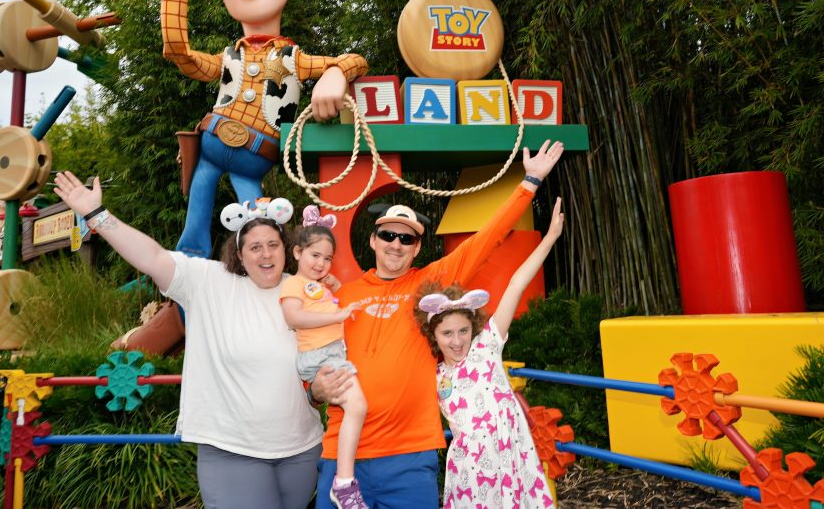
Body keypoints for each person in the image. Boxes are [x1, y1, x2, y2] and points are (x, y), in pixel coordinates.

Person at [310, 140, 565, 508]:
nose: (396, 244)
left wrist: (529, 184)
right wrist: (313, 390)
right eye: (388, 234)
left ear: (417, 248)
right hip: (343, 454)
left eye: (407, 238)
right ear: (372, 240)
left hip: (410, 456)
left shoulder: (427, 285)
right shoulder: (341, 296)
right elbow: (309, 351)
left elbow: (486, 239)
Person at [53, 171, 322, 509]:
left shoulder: (307, 290)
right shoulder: (208, 282)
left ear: (287, 249)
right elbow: (151, 257)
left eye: (273, 245)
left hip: (302, 449)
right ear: (239, 254)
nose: (265, 254)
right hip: (231, 449)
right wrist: (97, 216)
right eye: (255, 247)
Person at [162, 0, 370, 258]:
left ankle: (267, 288)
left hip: (254, 157)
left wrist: (336, 73)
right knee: (193, 233)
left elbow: (356, 59)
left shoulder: (292, 58)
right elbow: (178, 50)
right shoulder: (228, 58)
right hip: (210, 146)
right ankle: (183, 298)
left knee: (263, 236)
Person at [414, 199, 564, 508]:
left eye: (463, 331)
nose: (457, 341)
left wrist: (549, 237)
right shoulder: (434, 374)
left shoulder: (487, 345)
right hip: (471, 473)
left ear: (474, 328)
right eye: (447, 333)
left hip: (510, 459)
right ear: (434, 335)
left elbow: (517, 283)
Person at [279, 207, 368, 509]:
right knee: (357, 406)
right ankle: (343, 484)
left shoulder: (317, 286)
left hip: (331, 354)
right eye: (314, 255)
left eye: (327, 258)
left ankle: (344, 480)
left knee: (355, 408)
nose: (321, 263)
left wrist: (338, 290)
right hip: (319, 358)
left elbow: (330, 306)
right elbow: (295, 317)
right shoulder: (293, 284)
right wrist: (340, 314)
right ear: (297, 252)